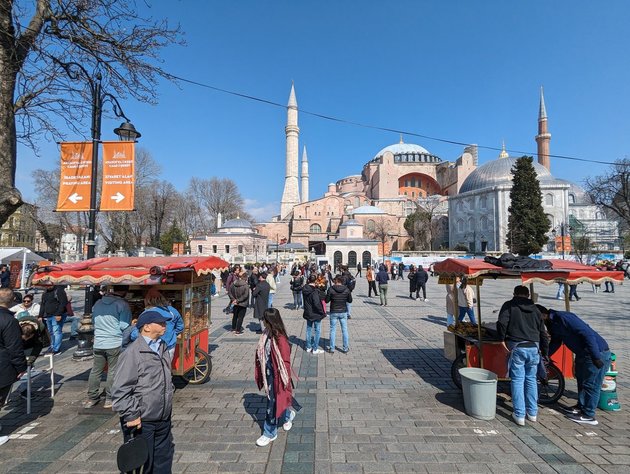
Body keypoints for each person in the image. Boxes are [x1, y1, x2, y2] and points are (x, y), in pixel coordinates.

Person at [112, 310, 175, 473]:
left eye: (164, 322)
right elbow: (120, 389)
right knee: (142, 465)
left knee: (163, 461)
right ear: (146, 327)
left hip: (163, 418)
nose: (164, 325)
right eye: (160, 323)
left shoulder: (162, 346)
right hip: (142, 420)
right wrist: (132, 414)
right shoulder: (132, 353)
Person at [536, 304, 611, 426]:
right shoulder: (552, 323)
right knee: (581, 381)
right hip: (582, 354)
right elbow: (556, 341)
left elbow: (588, 334)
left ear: (543, 315)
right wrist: (547, 355)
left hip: (596, 353)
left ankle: (589, 414)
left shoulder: (564, 317)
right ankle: (581, 406)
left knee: (591, 384)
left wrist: (596, 357)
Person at [497, 286, 548, 426]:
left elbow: (501, 323)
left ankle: (519, 414)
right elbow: (542, 332)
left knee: (518, 380)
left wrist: (501, 339)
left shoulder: (509, 305)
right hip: (534, 347)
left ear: (514, 294)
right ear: (528, 295)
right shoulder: (536, 310)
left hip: (517, 346)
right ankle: (532, 413)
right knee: (531, 379)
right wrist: (545, 351)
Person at [254, 308, 297, 447]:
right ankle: (287, 415)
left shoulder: (280, 338)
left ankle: (269, 433)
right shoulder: (267, 334)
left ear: (270, 321)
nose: (263, 322)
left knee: (272, 404)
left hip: (278, 375)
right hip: (268, 372)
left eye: (264, 319)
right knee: (279, 398)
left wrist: (284, 379)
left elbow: (285, 361)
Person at [84, 286, 131, 409]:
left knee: (96, 370)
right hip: (114, 341)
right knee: (112, 371)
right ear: (125, 291)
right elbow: (124, 325)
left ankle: (92, 398)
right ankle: (110, 398)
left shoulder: (99, 303)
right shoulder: (122, 304)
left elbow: (94, 320)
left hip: (98, 342)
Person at [132, 288, 184, 359]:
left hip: (152, 348)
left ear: (147, 300)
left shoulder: (146, 313)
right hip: (169, 346)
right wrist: (172, 335)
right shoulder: (172, 310)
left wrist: (132, 327)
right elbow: (180, 326)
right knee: (166, 367)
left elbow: (135, 334)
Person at [1, 287, 27, 411]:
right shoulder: (9, 320)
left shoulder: (8, 319)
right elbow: (14, 347)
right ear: (12, 300)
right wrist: (21, 367)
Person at [38, 285, 69, 354]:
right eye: (46, 285)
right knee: (51, 332)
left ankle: (56, 349)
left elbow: (63, 303)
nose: (48, 286)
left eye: (50, 284)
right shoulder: (45, 292)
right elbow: (43, 304)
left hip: (57, 314)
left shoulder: (59, 291)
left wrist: (58, 314)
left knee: (56, 331)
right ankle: (52, 346)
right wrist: (40, 315)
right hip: (48, 315)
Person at [326, 275, 352, 354]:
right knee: (344, 330)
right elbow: (350, 301)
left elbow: (327, 300)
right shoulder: (346, 289)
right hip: (343, 311)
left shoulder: (331, 289)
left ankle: (332, 348)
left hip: (334, 311)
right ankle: (345, 348)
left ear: (336, 281)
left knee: (333, 330)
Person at [302, 274, 326, 354]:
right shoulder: (314, 291)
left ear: (308, 280)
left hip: (308, 312)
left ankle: (308, 347)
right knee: (317, 330)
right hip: (316, 313)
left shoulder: (304, 289)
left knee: (308, 329)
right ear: (315, 281)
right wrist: (322, 312)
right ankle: (315, 348)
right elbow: (316, 303)